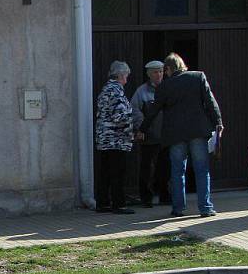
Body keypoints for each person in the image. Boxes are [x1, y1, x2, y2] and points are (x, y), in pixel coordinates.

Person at [140, 53, 223, 218]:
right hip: (198, 132)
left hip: (175, 135)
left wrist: (142, 128)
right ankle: (205, 208)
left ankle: (178, 208)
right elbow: (210, 101)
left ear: (169, 69)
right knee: (202, 169)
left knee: (177, 171)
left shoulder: (165, 86)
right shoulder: (198, 77)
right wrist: (218, 122)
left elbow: (154, 110)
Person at [95, 60, 135, 214]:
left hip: (105, 139)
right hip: (116, 139)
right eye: (126, 76)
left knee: (105, 172)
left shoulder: (106, 89)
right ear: (119, 75)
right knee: (117, 172)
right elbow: (119, 116)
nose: (126, 79)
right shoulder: (115, 91)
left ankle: (103, 203)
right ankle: (119, 204)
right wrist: (133, 124)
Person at [131, 60, 170, 207]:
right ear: (149, 74)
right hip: (149, 137)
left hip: (166, 137)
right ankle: (146, 198)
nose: (159, 74)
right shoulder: (141, 91)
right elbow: (134, 110)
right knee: (147, 169)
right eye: (155, 72)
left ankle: (165, 196)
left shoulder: (168, 88)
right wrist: (142, 127)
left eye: (160, 71)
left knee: (165, 168)